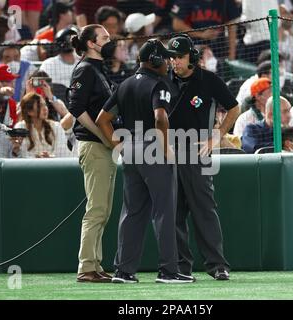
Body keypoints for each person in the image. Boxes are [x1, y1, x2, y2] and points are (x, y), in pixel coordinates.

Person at [96, 39, 194, 284]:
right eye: (166, 58)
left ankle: (124, 271)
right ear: (155, 60)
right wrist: (165, 149)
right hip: (153, 148)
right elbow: (160, 117)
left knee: (132, 212)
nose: (170, 62)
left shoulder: (125, 84)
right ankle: (169, 272)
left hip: (130, 149)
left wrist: (116, 145)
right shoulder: (160, 84)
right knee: (165, 211)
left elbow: (102, 119)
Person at [167, 34, 241, 280]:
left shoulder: (208, 79)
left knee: (204, 209)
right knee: (173, 211)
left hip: (196, 151)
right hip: (166, 151)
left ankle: (217, 265)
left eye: (179, 57)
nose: (175, 62)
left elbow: (234, 107)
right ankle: (180, 268)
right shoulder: (163, 80)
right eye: (172, 57)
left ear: (192, 57)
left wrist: (217, 136)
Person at [68, 24, 117, 283]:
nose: (110, 41)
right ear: (90, 43)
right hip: (94, 145)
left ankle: (95, 265)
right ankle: (86, 267)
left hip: (104, 146)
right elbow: (76, 107)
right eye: (104, 37)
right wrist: (102, 135)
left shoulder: (100, 69)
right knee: (96, 209)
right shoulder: (86, 69)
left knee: (103, 210)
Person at [170, 0, 240, 60]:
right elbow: (177, 25)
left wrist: (232, 56)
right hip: (191, 47)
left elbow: (232, 26)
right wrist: (201, 34)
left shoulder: (226, 1)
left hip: (218, 49)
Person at [15, 92, 72, 158]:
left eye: (45, 105)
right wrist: (36, 158)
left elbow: (63, 152)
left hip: (53, 166)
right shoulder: (20, 128)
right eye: (40, 106)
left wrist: (50, 157)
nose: (45, 108)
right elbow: (20, 154)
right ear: (29, 112)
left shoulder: (56, 126)